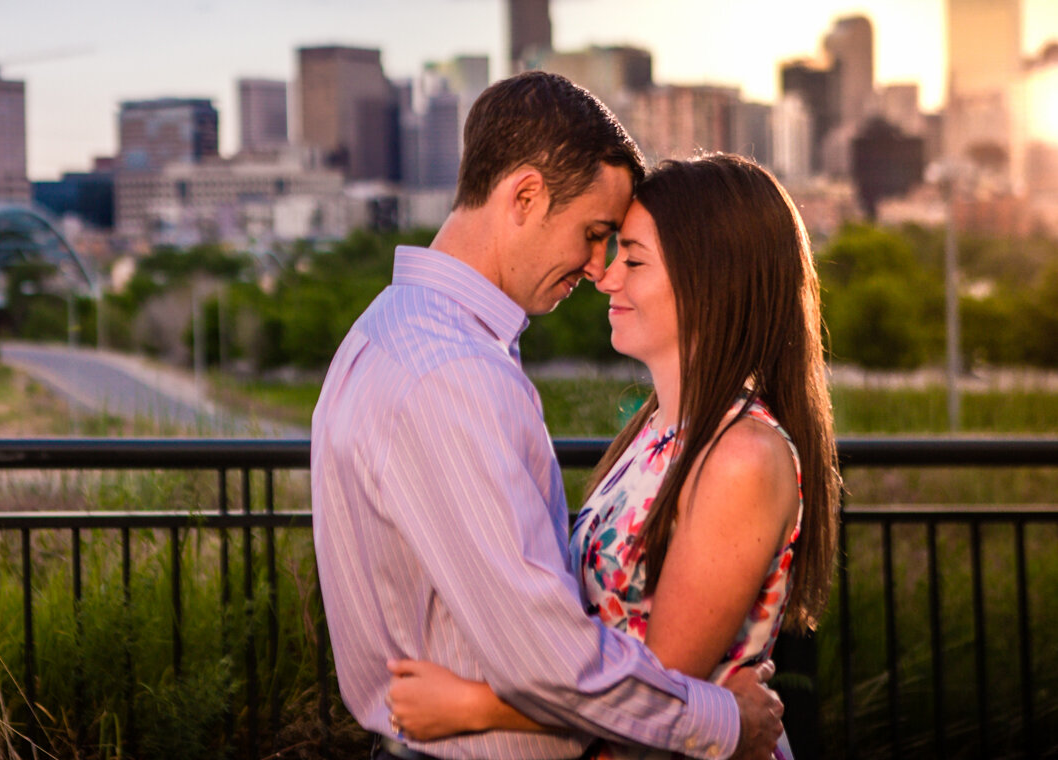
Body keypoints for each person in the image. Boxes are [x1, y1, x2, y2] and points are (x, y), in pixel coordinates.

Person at [311, 72, 785, 760]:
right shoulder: (451, 371)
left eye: (619, 247)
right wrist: (723, 722)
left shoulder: (390, 330)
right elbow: (548, 657)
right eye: (595, 234)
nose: (599, 269)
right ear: (525, 196)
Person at [384, 154, 840, 760]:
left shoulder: (741, 458)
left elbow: (659, 694)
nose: (604, 276)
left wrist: (472, 705)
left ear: (710, 279)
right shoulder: (658, 430)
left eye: (634, 259)